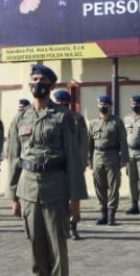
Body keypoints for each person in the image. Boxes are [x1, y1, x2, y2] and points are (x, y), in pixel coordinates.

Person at [8, 64, 88, 276]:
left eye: (42, 80)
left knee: (57, 247)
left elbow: (73, 159)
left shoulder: (63, 116)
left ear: (51, 85)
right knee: (35, 246)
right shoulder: (20, 118)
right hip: (28, 190)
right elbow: (14, 158)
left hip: (56, 188)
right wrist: (12, 196)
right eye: (33, 79)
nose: (37, 84)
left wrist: (76, 198)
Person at [52, 89, 89, 240]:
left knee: (74, 196)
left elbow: (83, 142)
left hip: (73, 164)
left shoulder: (77, 118)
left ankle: (73, 227)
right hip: (55, 164)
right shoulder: (51, 117)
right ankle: (59, 225)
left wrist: (80, 163)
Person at [88, 94, 128, 226]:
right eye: (101, 105)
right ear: (98, 106)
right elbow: (89, 143)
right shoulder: (93, 123)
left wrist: (123, 159)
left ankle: (111, 215)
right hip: (97, 156)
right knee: (99, 186)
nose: (103, 107)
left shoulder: (117, 122)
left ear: (110, 107)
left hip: (112, 156)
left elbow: (123, 141)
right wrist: (89, 160)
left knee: (114, 186)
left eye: (106, 105)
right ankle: (103, 214)